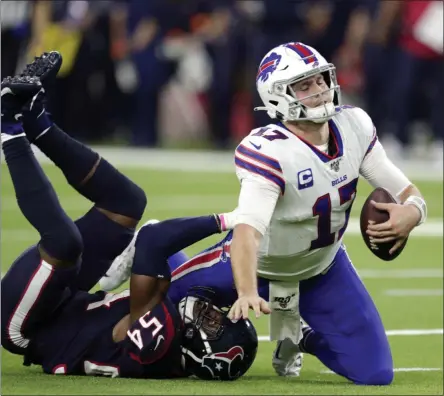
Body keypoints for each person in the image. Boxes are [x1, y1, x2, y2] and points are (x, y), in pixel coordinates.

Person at [0, 53, 258, 381]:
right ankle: (37, 122)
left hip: (24, 326)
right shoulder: (172, 342)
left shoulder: (158, 345)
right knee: (127, 202)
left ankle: (9, 125)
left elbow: (152, 239)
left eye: (213, 324)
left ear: (199, 350)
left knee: (65, 244)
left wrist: (227, 220)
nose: (212, 313)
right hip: (67, 304)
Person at [224, 42, 427, 385]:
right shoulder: (269, 149)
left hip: (322, 266)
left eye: (320, 80)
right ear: (277, 96)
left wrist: (413, 214)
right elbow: (247, 232)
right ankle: (159, 245)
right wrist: (246, 291)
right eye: (304, 85)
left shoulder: (353, 125)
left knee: (375, 374)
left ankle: (299, 334)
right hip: (257, 266)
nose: (319, 90)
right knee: (167, 295)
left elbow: (405, 191)